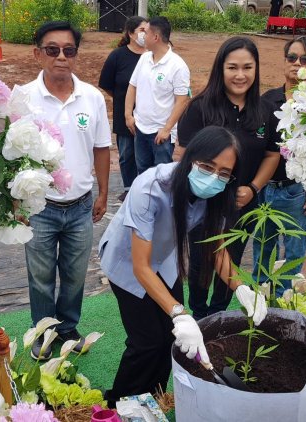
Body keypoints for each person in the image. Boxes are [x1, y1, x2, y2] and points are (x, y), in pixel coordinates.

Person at [98, 126, 267, 405]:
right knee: (147, 341)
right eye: (207, 166)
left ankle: (153, 397)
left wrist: (241, 288)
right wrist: (179, 312)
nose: (214, 177)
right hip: (127, 263)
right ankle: (120, 403)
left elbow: (217, 248)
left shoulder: (219, 195)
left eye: (224, 173)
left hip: (163, 260)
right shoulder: (151, 186)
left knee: (171, 340)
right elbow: (141, 266)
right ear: (190, 157)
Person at [9, 21, 111, 359]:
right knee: (40, 276)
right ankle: (44, 333)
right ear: (38, 53)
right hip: (40, 207)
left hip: (80, 206)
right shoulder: (22, 98)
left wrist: (102, 193)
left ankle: (67, 330)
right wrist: (14, 202)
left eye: (69, 50)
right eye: (52, 50)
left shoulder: (92, 99)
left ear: (76, 55)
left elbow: (100, 148)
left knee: (74, 275)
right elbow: (7, 153)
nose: (61, 57)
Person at [176, 37, 281, 319]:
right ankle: (199, 313)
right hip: (204, 205)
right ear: (220, 69)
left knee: (232, 258)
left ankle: (219, 313)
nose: (240, 75)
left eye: (247, 67)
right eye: (232, 67)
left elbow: (272, 155)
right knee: (201, 260)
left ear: (256, 69)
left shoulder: (265, 111)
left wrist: (253, 187)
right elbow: (183, 155)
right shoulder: (200, 108)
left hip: (243, 206)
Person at [253, 36, 306, 291]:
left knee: (294, 249)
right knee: (262, 244)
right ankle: (258, 295)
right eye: (291, 58)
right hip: (265, 187)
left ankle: (283, 298)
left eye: (305, 59)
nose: (297, 64)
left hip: (298, 190)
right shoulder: (267, 100)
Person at [125, 16, 190, 174]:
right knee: (142, 172)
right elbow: (132, 86)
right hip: (140, 128)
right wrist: (128, 115)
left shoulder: (178, 66)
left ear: (155, 37)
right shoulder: (144, 58)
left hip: (161, 134)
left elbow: (182, 101)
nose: (142, 36)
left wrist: (167, 129)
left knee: (161, 176)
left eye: (145, 32)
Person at [99, 16, 147, 202]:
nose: (146, 34)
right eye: (142, 30)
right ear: (130, 33)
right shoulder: (118, 56)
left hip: (150, 115)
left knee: (148, 153)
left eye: (147, 30)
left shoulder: (153, 56)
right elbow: (106, 83)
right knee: (127, 154)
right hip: (124, 114)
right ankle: (129, 189)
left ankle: (145, 189)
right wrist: (122, 99)